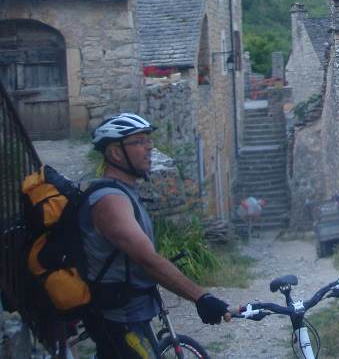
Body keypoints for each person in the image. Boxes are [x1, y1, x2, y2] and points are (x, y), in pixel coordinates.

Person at [79, 113, 231, 358]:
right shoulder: (110, 201)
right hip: (119, 320)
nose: (149, 147)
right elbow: (148, 260)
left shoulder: (124, 193)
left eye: (148, 140)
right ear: (116, 153)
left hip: (132, 316)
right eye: (139, 142)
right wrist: (202, 297)